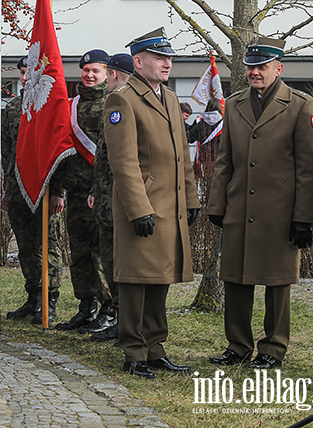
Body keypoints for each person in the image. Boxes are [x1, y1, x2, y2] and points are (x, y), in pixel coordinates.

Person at [207, 37, 313, 369]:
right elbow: (224, 160)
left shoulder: (300, 105)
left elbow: (308, 168)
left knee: (277, 280)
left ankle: (273, 348)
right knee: (236, 279)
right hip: (239, 207)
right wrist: (217, 205)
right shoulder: (235, 103)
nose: (255, 72)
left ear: (278, 68)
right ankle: (237, 345)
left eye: (262, 67)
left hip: (280, 211)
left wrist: (305, 218)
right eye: (251, 67)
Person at [104, 28, 199, 379]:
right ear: (138, 61)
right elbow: (124, 162)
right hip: (142, 205)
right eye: (160, 58)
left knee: (160, 278)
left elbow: (181, 156)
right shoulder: (123, 100)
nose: (167, 63)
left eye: (169, 58)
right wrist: (139, 209)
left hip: (169, 203)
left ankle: (155, 348)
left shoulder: (171, 98)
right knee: (135, 280)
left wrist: (190, 197)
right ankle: (134, 352)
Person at [53, 49, 113, 333]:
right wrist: (58, 190)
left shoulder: (113, 104)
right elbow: (59, 151)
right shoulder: (70, 105)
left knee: (99, 252)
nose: (89, 75)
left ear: (106, 73)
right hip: (74, 191)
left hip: (99, 193)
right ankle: (86, 306)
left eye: (95, 71)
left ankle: (109, 308)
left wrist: (99, 188)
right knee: (78, 252)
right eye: (86, 70)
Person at [2, 55, 62, 324]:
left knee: (48, 245)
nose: (25, 78)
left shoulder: (53, 108)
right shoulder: (13, 108)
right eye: (22, 73)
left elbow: (60, 154)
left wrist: (59, 190)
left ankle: (50, 300)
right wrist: (6, 187)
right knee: (26, 246)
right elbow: (7, 153)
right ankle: (33, 298)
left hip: (46, 189)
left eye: (29, 73)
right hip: (17, 189)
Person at [86, 52, 134, 343]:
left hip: (120, 200)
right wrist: (95, 191)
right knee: (111, 259)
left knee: (121, 262)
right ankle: (118, 317)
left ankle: (124, 320)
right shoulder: (115, 104)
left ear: (112, 74)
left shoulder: (124, 104)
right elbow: (102, 157)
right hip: (106, 199)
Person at [187, 98, 223, 181]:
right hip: (219, 159)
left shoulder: (200, 122)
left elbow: (189, 138)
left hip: (203, 160)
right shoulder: (223, 123)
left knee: (204, 185)